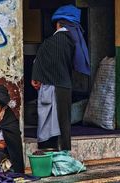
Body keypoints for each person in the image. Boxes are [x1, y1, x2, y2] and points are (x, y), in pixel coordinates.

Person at [31, 5, 90, 151]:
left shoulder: (52, 41)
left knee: (50, 121)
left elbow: (40, 61)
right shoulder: (74, 41)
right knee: (64, 123)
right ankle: (65, 153)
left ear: (58, 23)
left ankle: (49, 151)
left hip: (52, 85)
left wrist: (36, 77)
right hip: (65, 86)